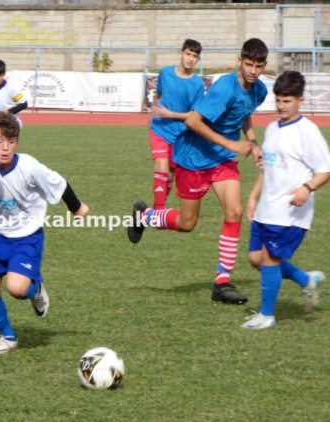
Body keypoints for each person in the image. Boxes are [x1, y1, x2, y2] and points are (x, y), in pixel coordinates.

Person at [128, 38, 269, 305]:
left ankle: (222, 283)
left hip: (222, 159)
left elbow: (245, 112)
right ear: (239, 61)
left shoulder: (259, 90)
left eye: (258, 66)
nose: (253, 71)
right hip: (194, 157)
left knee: (235, 212)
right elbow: (193, 121)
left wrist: (252, 142)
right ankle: (144, 216)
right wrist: (231, 143)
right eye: (249, 64)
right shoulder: (224, 87)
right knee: (187, 224)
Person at [0, 112, 89, 355]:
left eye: (11, 141)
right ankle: (8, 337)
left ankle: (35, 289)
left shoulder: (28, 166)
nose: (4, 147)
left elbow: (58, 183)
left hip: (26, 234)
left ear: (17, 141)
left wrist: (77, 207)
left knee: (17, 289)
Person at [241, 70, 330, 330]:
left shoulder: (308, 131)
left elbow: (327, 169)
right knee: (256, 258)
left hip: (289, 210)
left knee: (269, 260)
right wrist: (253, 196)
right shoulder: (273, 127)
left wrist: (307, 187)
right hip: (267, 206)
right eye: (278, 100)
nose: (281, 106)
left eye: (287, 101)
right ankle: (306, 280)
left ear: (300, 100)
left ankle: (267, 315)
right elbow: (268, 168)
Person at [148, 39, 205, 210]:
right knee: (162, 167)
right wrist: (155, 109)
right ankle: (159, 211)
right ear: (180, 54)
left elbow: (194, 115)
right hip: (160, 129)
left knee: (170, 175)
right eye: (188, 54)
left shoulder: (197, 84)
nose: (190, 59)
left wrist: (170, 114)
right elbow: (159, 95)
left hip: (180, 135)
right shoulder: (165, 73)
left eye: (194, 56)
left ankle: (156, 209)